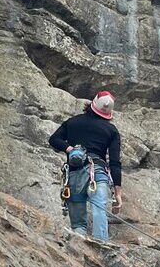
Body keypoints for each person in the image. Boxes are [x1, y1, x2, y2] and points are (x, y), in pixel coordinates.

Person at [49, 90, 122, 240]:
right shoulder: (111, 130)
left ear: (92, 103)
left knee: (78, 224)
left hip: (75, 173)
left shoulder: (73, 121)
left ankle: (78, 243)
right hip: (98, 174)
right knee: (99, 209)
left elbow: (54, 139)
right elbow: (115, 163)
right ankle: (101, 242)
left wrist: (71, 149)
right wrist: (118, 193)